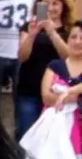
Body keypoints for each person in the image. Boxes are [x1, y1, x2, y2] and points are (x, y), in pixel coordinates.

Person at [15, 0, 75, 141]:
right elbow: (22, 56)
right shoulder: (29, 26)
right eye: (46, 3)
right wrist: (32, 34)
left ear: (63, 5)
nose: (51, 8)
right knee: (25, 134)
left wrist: (52, 32)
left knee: (53, 138)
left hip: (58, 92)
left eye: (55, 3)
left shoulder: (70, 30)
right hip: (29, 89)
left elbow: (69, 58)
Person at [37, 20, 82, 155]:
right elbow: (46, 97)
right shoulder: (55, 66)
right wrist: (75, 97)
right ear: (67, 40)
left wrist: (65, 95)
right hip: (53, 129)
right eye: (73, 37)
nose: (77, 42)